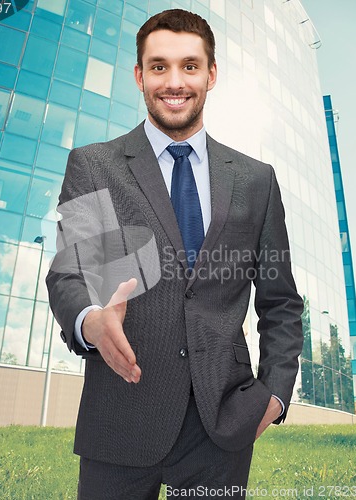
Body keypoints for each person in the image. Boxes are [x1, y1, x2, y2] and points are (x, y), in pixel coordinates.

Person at [46, 8, 303, 499]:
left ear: (211, 74)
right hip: (119, 417)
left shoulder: (255, 180)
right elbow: (72, 274)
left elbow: (281, 302)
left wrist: (274, 394)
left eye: (190, 65)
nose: (174, 81)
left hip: (221, 425)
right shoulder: (94, 165)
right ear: (140, 76)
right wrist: (92, 323)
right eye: (159, 66)